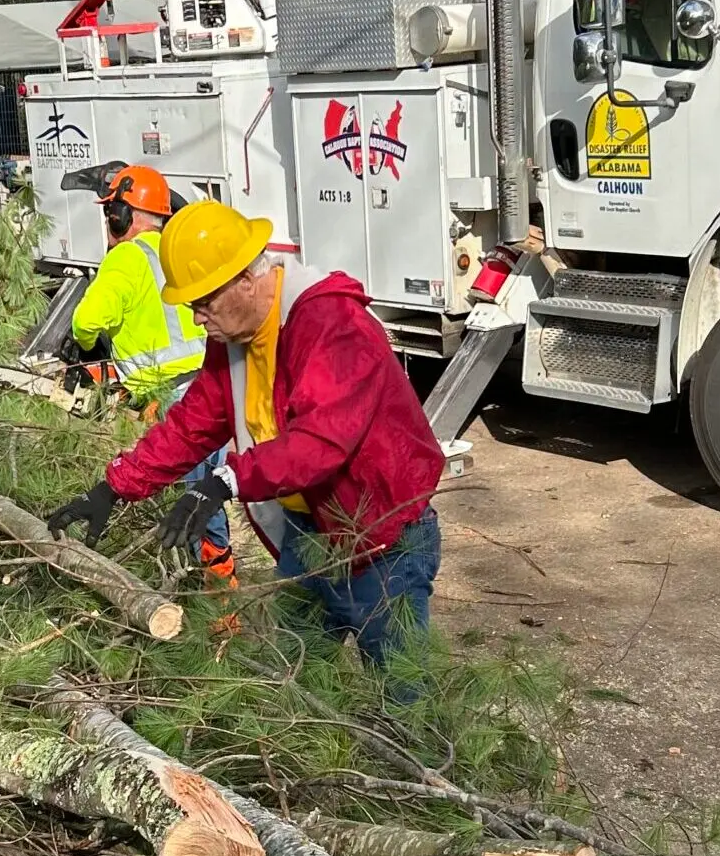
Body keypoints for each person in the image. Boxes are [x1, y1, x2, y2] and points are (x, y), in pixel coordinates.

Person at [47, 200, 444, 666]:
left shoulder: (331, 324)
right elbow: (194, 422)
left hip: (381, 539)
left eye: (203, 302)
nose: (197, 318)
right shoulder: (237, 336)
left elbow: (321, 442)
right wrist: (114, 487)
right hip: (309, 531)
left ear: (246, 280)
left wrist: (226, 481)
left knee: (402, 694)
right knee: (299, 679)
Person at [64, 166, 233, 577]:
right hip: (210, 392)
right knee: (206, 499)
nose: (107, 224)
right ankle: (221, 594)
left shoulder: (126, 256)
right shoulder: (176, 249)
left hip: (172, 400)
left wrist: (86, 349)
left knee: (187, 508)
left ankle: (217, 606)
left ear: (124, 215)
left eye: (110, 214)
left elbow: (86, 320)